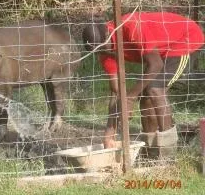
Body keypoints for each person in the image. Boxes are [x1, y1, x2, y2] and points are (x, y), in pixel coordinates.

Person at [82, 11, 204, 158]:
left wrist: (130, 97)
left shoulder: (132, 27)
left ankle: (168, 155)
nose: (104, 52)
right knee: (146, 98)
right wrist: (109, 133)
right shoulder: (103, 49)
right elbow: (116, 92)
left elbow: (156, 65)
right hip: (159, 51)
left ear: (108, 33)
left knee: (155, 89)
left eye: (104, 47)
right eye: (99, 51)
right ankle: (151, 152)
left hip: (184, 39)